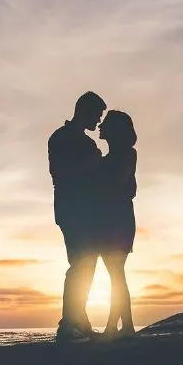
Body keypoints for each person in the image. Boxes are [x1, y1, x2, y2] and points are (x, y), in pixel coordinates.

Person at [48, 91, 106, 343]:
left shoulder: (87, 143)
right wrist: (92, 164)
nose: (99, 121)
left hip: (86, 211)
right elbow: (60, 172)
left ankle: (78, 320)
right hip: (71, 210)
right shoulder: (61, 138)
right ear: (84, 111)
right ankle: (69, 323)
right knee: (79, 263)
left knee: (87, 263)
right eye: (97, 115)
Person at [98, 110, 137, 340]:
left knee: (116, 274)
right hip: (109, 219)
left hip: (118, 220)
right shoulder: (105, 159)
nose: (100, 126)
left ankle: (115, 326)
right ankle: (126, 325)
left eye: (106, 123)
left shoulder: (127, 154)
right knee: (116, 274)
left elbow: (118, 184)